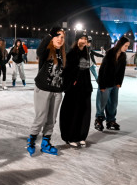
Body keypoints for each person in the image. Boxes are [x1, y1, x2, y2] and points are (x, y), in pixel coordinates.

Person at [27, 27, 66, 156]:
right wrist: (49, 35)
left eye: (62, 37)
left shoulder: (64, 54)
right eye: (57, 36)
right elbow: (39, 51)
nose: (60, 39)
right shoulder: (47, 51)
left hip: (57, 91)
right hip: (43, 89)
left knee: (51, 119)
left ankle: (45, 143)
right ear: (53, 38)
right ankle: (31, 141)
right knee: (41, 117)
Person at [60, 31, 93, 147]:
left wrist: (89, 86)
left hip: (85, 87)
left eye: (85, 39)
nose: (84, 41)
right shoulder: (71, 53)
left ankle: (81, 135)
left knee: (84, 113)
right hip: (74, 88)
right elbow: (67, 71)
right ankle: (71, 136)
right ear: (77, 40)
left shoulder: (86, 53)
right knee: (73, 113)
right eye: (81, 38)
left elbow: (86, 71)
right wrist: (72, 82)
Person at [94, 36, 129, 131]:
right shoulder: (110, 53)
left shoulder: (123, 55)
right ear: (121, 44)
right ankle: (99, 120)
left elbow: (122, 70)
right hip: (105, 83)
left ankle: (110, 120)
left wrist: (119, 83)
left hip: (115, 84)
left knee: (113, 103)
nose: (127, 48)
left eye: (127, 46)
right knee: (101, 103)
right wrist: (101, 85)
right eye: (125, 46)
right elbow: (102, 70)